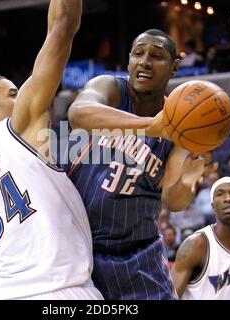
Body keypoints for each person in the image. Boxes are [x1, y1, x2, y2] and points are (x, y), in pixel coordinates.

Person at [0, 0, 102, 300]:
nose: (21, 97)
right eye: (13, 94)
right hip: (58, 291)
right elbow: (61, 29)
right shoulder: (17, 128)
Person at [67, 29, 216, 300]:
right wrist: (154, 126)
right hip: (80, 247)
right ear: (128, 62)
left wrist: (187, 181)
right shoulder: (111, 88)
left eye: (156, 56)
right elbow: (78, 113)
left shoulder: (182, 124)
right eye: (138, 54)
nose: (145, 61)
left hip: (139, 252)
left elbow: (174, 201)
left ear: (173, 68)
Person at [171, 177, 230, 300]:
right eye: (220, 194)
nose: (228, 198)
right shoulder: (197, 244)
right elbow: (169, 296)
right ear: (213, 206)